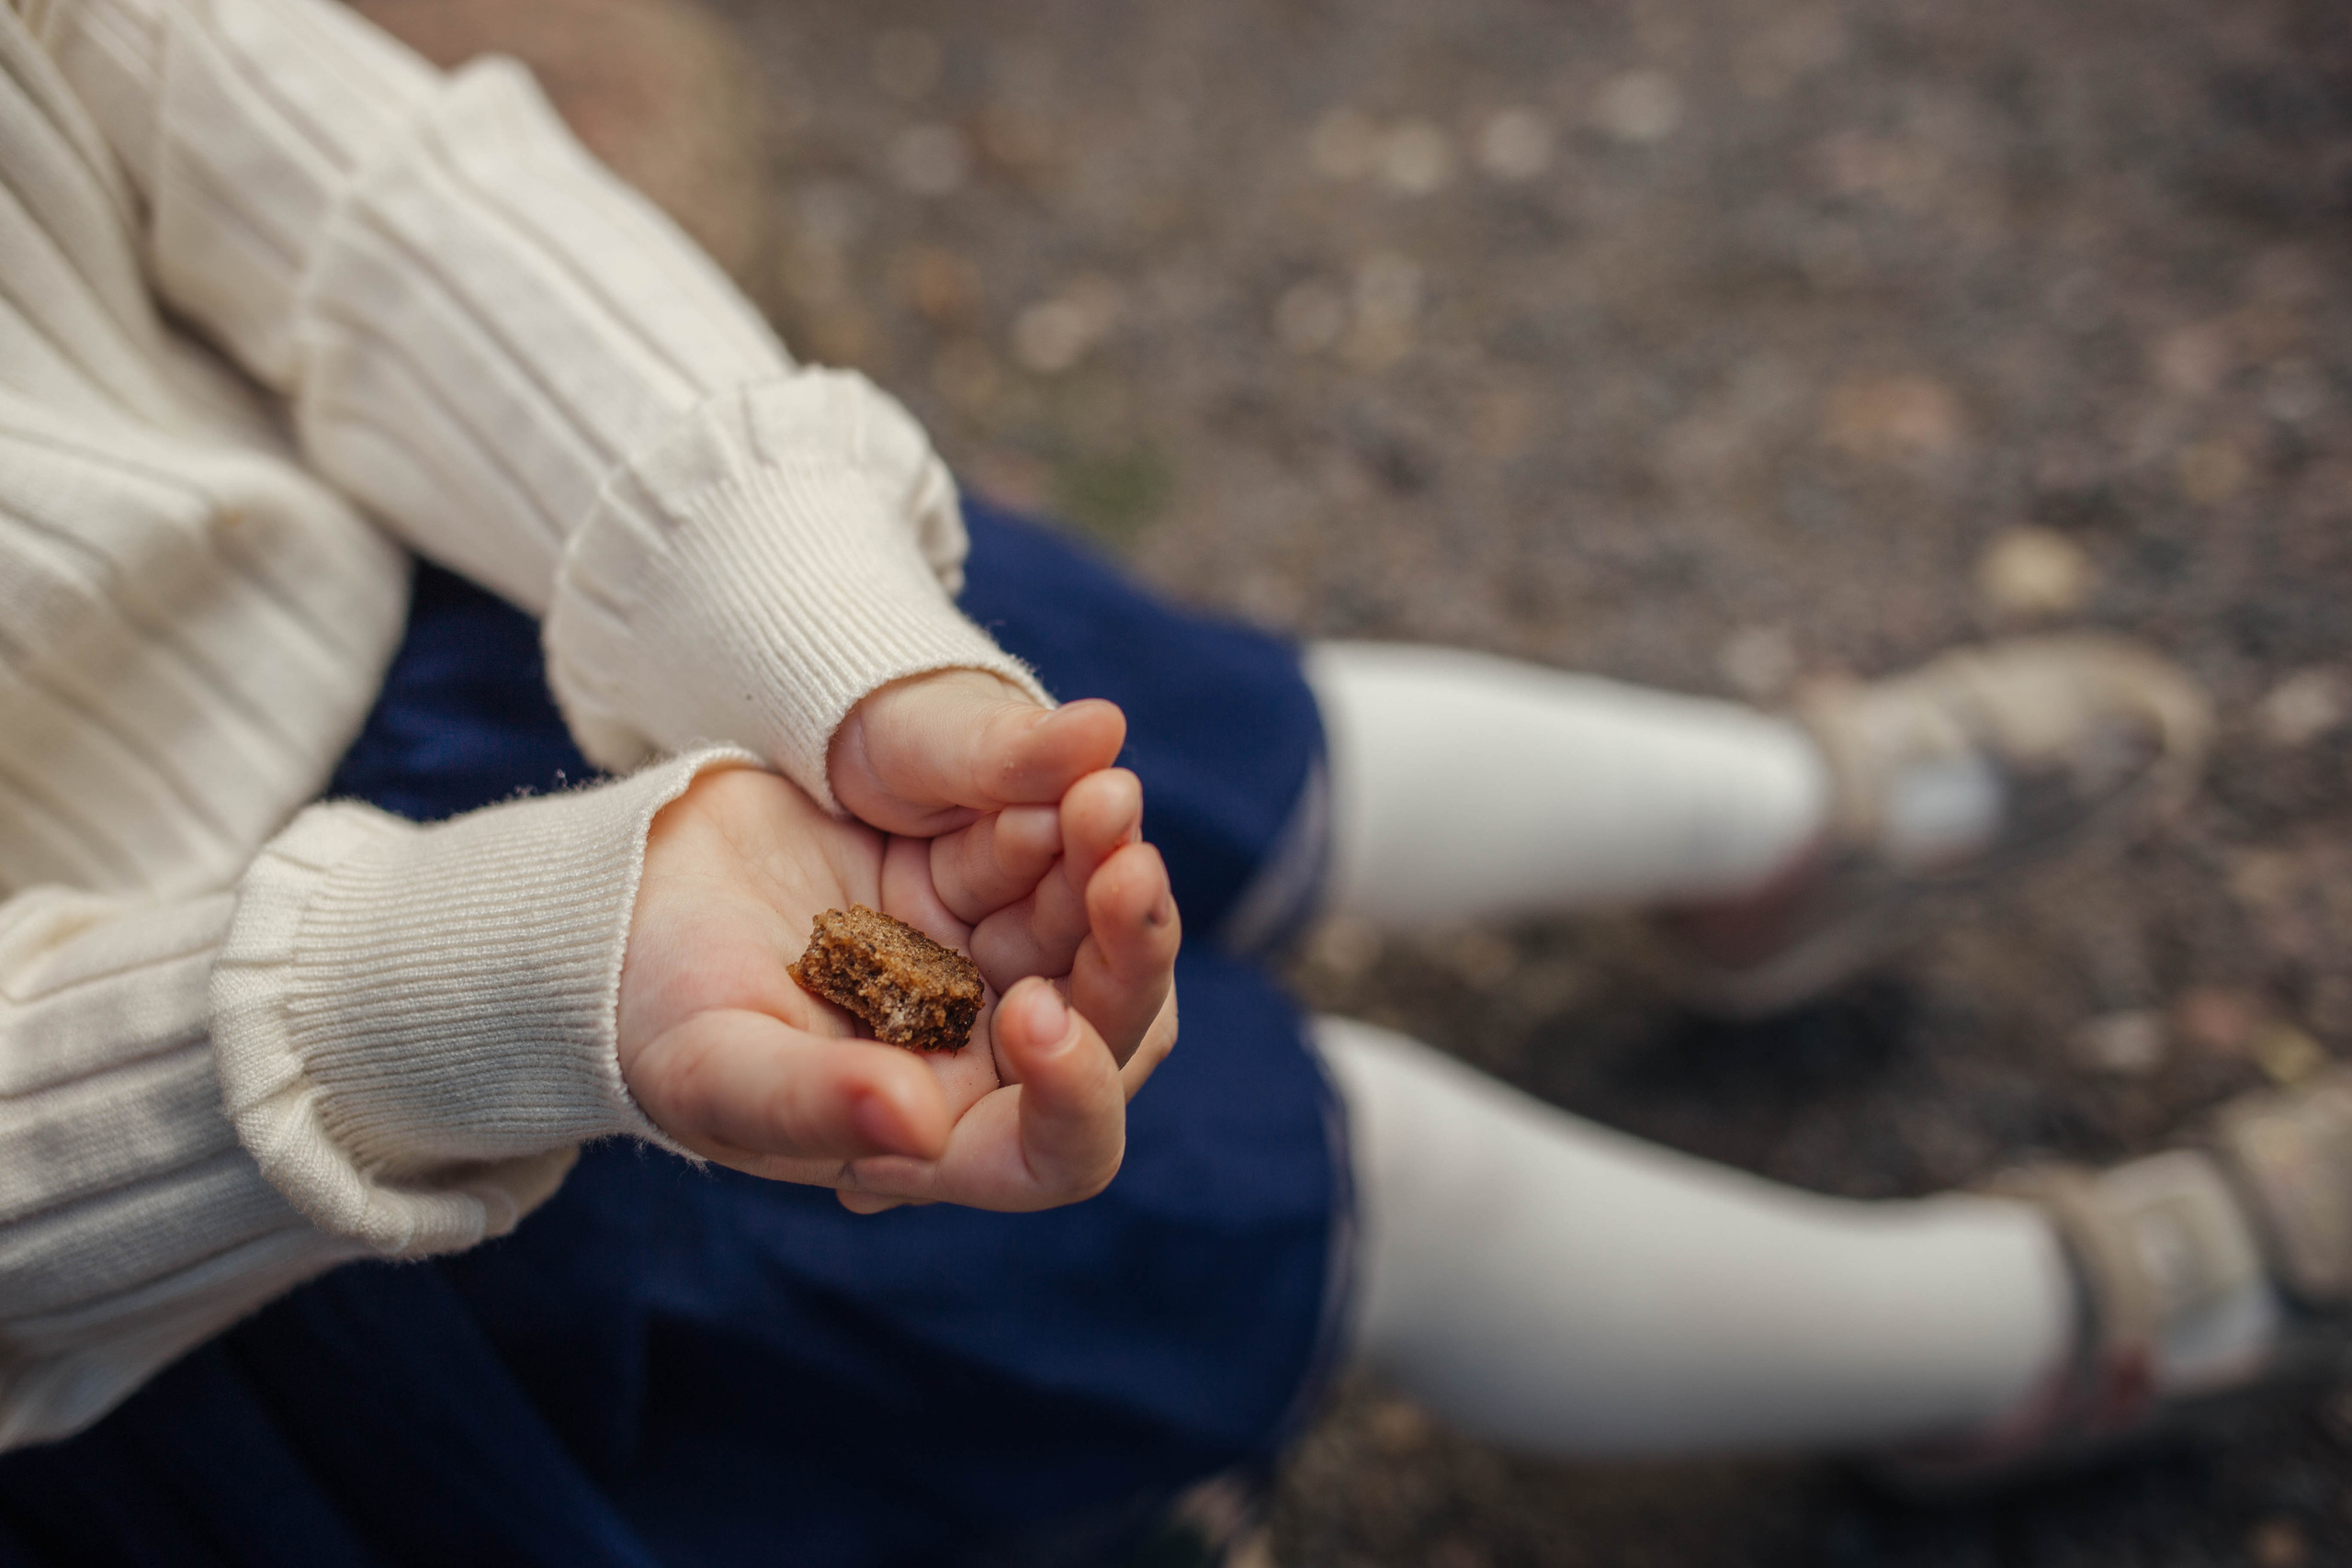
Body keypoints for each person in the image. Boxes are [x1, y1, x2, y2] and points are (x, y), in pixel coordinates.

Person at [3, 1, 2347, 1563]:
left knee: (1212, 737)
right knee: (1294, 1174)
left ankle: (1763, 826)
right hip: (276, 1145)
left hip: (536, 577)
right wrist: (492, 978)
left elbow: (338, 181)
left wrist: (810, 603)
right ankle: (2026, 1327)